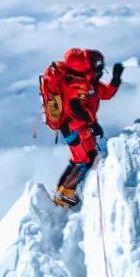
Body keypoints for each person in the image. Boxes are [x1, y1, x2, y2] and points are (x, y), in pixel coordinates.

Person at [47, 48, 124, 208]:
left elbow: (105, 94)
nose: (100, 67)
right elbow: (75, 109)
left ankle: (61, 191)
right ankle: (65, 195)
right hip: (74, 128)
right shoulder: (77, 85)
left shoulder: (89, 84)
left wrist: (115, 79)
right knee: (83, 160)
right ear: (86, 65)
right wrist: (93, 123)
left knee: (86, 157)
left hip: (82, 128)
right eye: (97, 64)